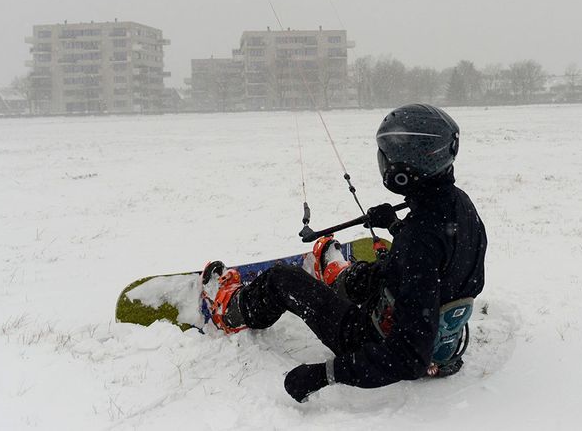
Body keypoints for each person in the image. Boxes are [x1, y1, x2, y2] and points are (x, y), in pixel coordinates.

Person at [200, 103, 488, 402]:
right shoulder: (457, 205)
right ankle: (344, 279)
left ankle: (231, 310)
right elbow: (437, 258)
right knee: (374, 272)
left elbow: (409, 358)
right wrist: (394, 225)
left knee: (281, 280)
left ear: (406, 167)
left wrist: (324, 374)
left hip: (375, 340)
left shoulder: (419, 243)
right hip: (440, 338)